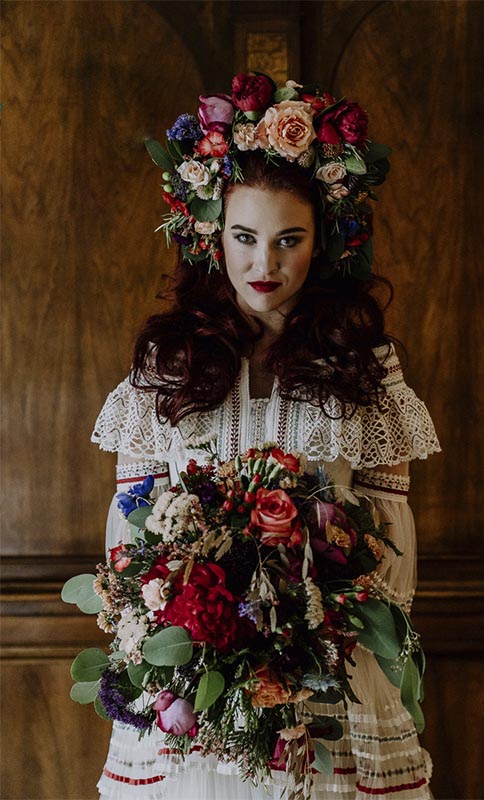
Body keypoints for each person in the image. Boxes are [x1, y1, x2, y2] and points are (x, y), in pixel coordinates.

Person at [91, 76, 440, 799]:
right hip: (192, 672)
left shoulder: (366, 364)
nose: (264, 265)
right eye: (244, 238)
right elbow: (129, 529)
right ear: (212, 235)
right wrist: (176, 621)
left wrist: (321, 627)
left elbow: (391, 531)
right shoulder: (166, 367)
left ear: (324, 241)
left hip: (327, 670)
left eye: (289, 240)